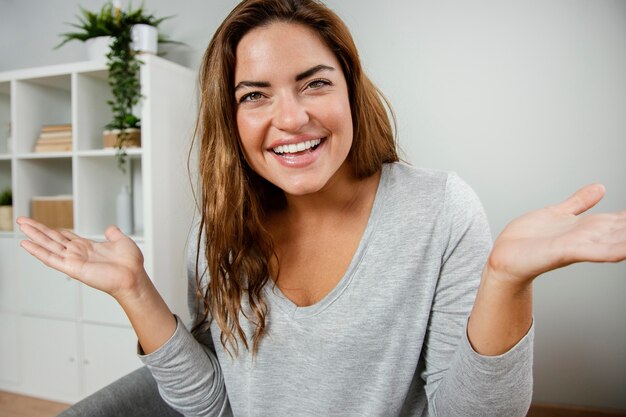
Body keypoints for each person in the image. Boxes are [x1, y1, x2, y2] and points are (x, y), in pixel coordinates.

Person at [17, 0, 626, 416]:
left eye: (314, 82)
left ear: (350, 90)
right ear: (230, 121)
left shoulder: (441, 210)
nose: (291, 117)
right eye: (255, 95)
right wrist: (133, 288)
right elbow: (215, 406)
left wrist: (506, 281)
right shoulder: (217, 236)